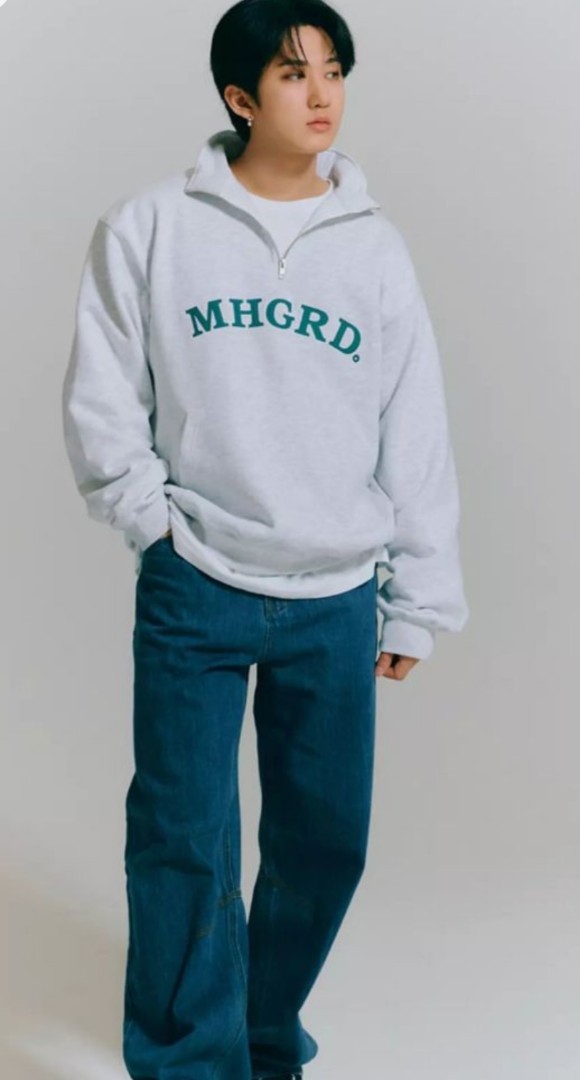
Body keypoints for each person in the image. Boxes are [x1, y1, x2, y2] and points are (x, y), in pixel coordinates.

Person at [61, 1, 469, 1077]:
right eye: (293, 74)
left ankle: (258, 1037)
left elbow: (415, 429)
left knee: (322, 844)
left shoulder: (374, 250)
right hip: (196, 578)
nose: (322, 94)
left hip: (337, 590)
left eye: (334, 70)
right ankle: (189, 1062)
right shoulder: (150, 227)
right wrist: (150, 521)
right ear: (240, 98)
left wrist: (418, 600)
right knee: (181, 838)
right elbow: (104, 398)